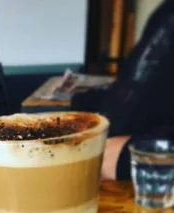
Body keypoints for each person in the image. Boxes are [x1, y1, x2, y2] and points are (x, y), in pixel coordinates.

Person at [72, 0, 174, 179]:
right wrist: (79, 106)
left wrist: (129, 160)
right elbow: (139, 88)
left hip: (143, 181)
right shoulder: (166, 12)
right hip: (107, 164)